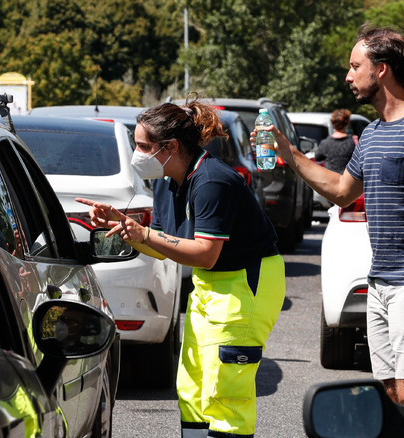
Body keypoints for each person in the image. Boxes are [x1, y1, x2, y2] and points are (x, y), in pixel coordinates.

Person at [253, 24, 404, 405]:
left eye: (355, 66)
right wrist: (288, 152)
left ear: (381, 69)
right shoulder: (370, 133)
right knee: (389, 391)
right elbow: (340, 191)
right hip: (379, 283)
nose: (348, 75)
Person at [77, 96, 286, 438]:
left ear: (170, 146)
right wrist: (126, 228)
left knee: (225, 389)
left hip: (246, 284)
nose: (137, 154)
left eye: (143, 146)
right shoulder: (165, 180)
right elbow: (162, 246)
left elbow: (205, 253)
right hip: (211, 284)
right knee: (192, 386)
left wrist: (144, 233)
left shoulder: (212, 181)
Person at [314, 109, 356, 174]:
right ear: (347, 123)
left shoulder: (325, 143)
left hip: (330, 180)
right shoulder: (352, 141)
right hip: (346, 180)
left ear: (333, 123)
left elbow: (317, 157)